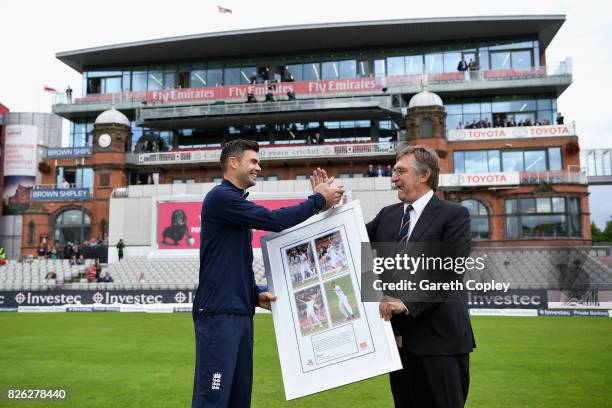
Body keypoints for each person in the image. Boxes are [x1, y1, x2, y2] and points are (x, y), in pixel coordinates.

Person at [191, 139, 344, 407]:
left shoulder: (234, 204)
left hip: (239, 313)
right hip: (219, 315)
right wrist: (318, 200)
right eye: (253, 161)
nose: (259, 168)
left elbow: (231, 263)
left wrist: (253, 293)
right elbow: (274, 220)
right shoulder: (220, 197)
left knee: (238, 399)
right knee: (213, 399)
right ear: (233, 162)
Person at [366, 145, 475, 408]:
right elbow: (348, 238)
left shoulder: (454, 215)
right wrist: (324, 206)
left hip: (441, 342)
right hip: (400, 344)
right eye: (394, 171)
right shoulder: (387, 215)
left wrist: (406, 304)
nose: (394, 178)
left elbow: (449, 272)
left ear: (424, 175)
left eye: (401, 171)